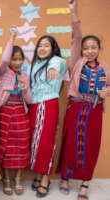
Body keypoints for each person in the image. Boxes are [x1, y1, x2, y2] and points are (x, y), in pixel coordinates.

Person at [57, 1, 110, 200]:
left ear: (99, 49)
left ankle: (86, 181)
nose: (89, 51)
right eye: (86, 48)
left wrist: (107, 91)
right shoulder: (76, 62)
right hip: (77, 108)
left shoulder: (104, 67)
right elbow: (76, 36)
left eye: (93, 48)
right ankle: (65, 177)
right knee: (71, 142)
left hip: (95, 111)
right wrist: (73, 12)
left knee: (91, 146)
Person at [28, 34, 67, 197]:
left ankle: (46, 178)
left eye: (46, 45)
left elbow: (60, 63)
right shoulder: (34, 64)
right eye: (40, 45)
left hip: (48, 104)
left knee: (46, 142)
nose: (42, 48)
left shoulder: (57, 62)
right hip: (34, 106)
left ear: (53, 49)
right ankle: (39, 173)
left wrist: (52, 68)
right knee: (35, 141)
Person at [0, 27, 32, 195]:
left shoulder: (25, 75)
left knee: (21, 147)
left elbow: (30, 101)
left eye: (20, 59)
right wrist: (12, 37)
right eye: (14, 59)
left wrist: (25, 90)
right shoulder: (3, 72)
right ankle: (7, 179)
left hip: (22, 115)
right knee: (6, 147)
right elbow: (3, 60)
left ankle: (18, 178)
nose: (17, 62)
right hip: (6, 113)